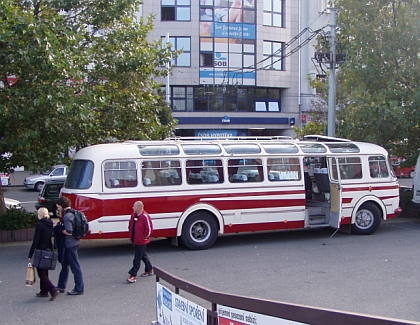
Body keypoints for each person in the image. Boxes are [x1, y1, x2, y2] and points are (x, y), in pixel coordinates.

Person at [28, 207, 59, 301]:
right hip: (48, 249)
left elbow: (36, 240)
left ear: (40, 215)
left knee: (41, 273)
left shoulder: (39, 225)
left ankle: (52, 290)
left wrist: (30, 254)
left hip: (41, 250)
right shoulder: (50, 223)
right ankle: (43, 291)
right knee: (45, 271)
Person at [56, 196, 84, 295]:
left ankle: (79, 288)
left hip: (70, 244)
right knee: (65, 265)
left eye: (58, 206)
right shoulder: (74, 212)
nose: (57, 208)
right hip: (75, 242)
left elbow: (69, 231)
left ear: (62, 206)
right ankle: (61, 285)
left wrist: (61, 230)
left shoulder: (67, 216)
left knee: (74, 266)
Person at [127, 201, 154, 283]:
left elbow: (149, 230)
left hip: (141, 242)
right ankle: (149, 269)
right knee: (143, 255)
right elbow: (130, 225)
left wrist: (143, 238)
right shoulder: (134, 215)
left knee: (137, 258)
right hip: (136, 240)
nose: (133, 208)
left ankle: (133, 275)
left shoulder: (145, 217)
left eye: (134, 206)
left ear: (139, 208)